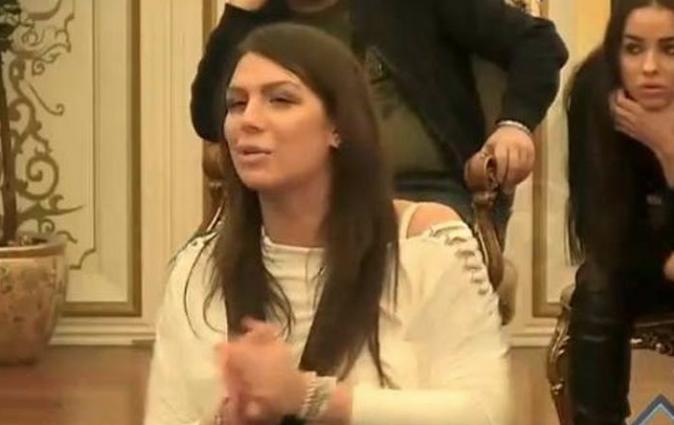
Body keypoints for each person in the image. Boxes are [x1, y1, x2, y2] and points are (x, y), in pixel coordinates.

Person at [145, 23, 511, 425]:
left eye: (280, 100)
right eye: (236, 104)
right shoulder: (198, 270)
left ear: (338, 127)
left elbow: (484, 413)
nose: (248, 120)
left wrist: (309, 397)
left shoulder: (426, 246)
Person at [191, 0, 568, 242]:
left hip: (423, 190)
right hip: (299, 198)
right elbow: (209, 118)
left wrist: (514, 124)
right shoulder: (257, 23)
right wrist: (239, 13)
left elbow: (538, 43)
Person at [565, 1, 674, 424]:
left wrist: (668, 148)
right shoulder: (594, 91)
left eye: (670, 49)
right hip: (635, 258)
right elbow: (601, 229)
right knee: (597, 286)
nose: (650, 67)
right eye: (633, 49)